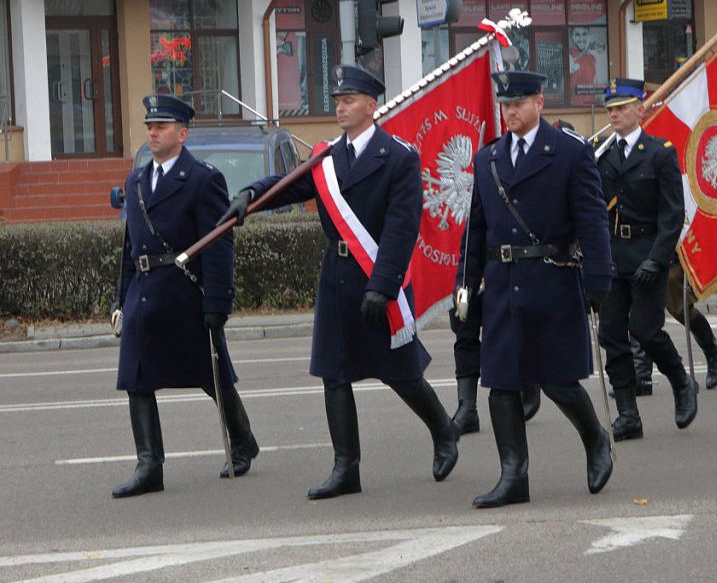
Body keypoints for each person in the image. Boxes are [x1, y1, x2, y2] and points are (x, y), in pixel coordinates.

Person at [219, 64, 458, 498]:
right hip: (337, 277)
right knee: (335, 374)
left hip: (377, 278)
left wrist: (383, 286)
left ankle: (444, 432)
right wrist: (250, 196)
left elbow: (402, 229)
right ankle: (346, 468)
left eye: (349, 101)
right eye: (337, 101)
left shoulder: (399, 156)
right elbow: (288, 186)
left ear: (371, 105)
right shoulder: (328, 156)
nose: (340, 108)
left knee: (400, 374)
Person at [460, 69, 614, 507]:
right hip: (504, 285)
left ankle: (595, 439)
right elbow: (476, 228)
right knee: (503, 385)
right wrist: (464, 285)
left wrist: (599, 279)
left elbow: (592, 220)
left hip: (553, 277)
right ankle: (514, 476)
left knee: (559, 381)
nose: (511, 112)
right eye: (505, 105)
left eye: (519, 103)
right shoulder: (487, 158)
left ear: (539, 102)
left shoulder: (568, 152)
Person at [112, 94, 259, 498]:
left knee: (211, 376)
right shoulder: (137, 180)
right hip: (144, 294)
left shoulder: (202, 179)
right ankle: (149, 465)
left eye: (161, 126)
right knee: (136, 380)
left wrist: (218, 303)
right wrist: (119, 299)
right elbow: (130, 246)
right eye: (150, 126)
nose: (153, 133)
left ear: (183, 133)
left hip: (183, 295)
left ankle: (242, 441)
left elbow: (218, 244)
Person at [594, 77, 696, 441]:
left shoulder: (660, 152)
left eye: (622, 108)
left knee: (645, 330)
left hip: (647, 254)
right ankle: (627, 413)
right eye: (610, 109)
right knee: (610, 334)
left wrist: (658, 259)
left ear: (641, 108)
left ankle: (681, 380)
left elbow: (672, 213)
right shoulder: (602, 155)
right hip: (612, 256)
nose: (615, 114)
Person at [448, 292, 541, 434]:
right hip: (462, 277)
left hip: (495, 275)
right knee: (464, 330)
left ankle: (527, 384)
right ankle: (467, 407)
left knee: (505, 328)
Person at [630, 265, 717, 394]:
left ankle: (713, 350)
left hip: (667, 253)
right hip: (636, 253)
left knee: (680, 308)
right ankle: (641, 375)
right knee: (637, 306)